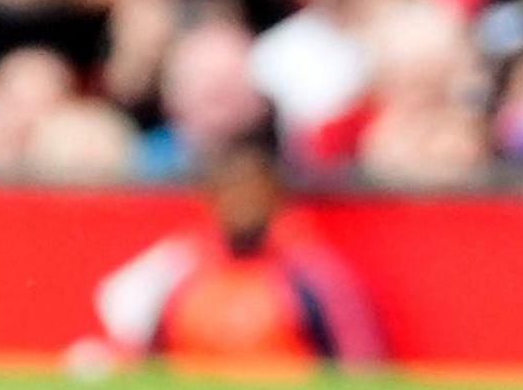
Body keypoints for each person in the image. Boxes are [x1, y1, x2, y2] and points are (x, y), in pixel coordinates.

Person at [85, 134, 383, 370]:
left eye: (254, 192)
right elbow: (146, 361)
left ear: (276, 198)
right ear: (211, 198)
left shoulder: (316, 274)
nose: (243, 204)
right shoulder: (179, 269)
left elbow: (359, 367)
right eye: (233, 192)